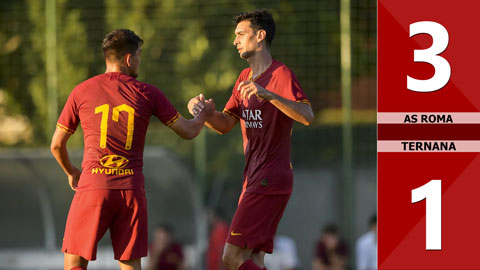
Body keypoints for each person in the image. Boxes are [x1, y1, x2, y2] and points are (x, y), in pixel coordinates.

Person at [50, 29, 214, 270]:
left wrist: (71, 171)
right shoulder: (148, 93)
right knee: (130, 264)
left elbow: (56, 145)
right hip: (131, 191)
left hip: (94, 186)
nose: (139, 60)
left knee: (75, 262)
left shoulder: (82, 91)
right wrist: (203, 115)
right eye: (139, 54)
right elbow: (189, 131)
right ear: (129, 59)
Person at [188, 9, 314, 270]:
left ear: (260, 36)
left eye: (241, 34)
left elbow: (307, 115)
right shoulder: (243, 79)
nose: (235, 41)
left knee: (230, 257)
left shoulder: (280, 74)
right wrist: (206, 113)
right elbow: (225, 124)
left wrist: (269, 95)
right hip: (254, 177)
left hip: (270, 177)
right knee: (253, 259)